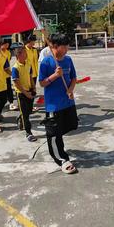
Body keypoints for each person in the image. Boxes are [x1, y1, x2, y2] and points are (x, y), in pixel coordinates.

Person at [39, 33, 78, 174]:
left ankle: (57, 142)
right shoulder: (46, 63)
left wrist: (71, 89)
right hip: (53, 105)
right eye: (65, 46)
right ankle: (61, 159)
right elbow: (42, 83)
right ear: (55, 47)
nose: (67, 48)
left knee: (72, 125)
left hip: (68, 102)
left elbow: (73, 78)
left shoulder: (68, 60)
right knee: (54, 134)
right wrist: (55, 75)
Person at [12, 47, 37, 142]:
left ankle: (20, 118)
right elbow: (17, 83)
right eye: (24, 53)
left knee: (29, 111)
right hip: (21, 94)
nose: (26, 55)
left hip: (29, 91)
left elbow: (31, 77)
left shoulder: (28, 64)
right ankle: (28, 133)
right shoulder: (15, 68)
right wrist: (26, 94)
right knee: (26, 115)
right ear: (18, 55)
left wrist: (33, 87)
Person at [1, 38, 17, 110]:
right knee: (2, 90)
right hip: (0, 75)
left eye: (8, 44)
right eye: (5, 44)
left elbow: (8, 61)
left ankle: (11, 103)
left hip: (7, 74)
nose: (7, 46)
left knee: (9, 89)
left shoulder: (8, 52)